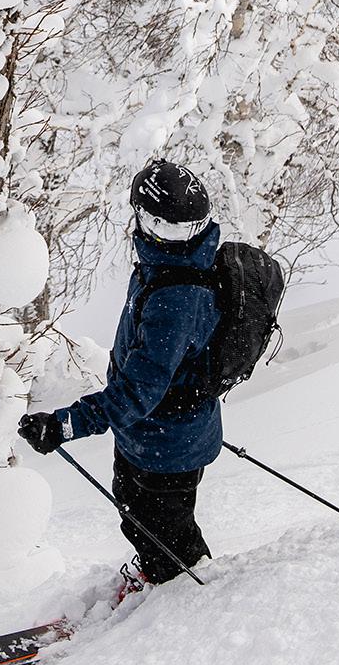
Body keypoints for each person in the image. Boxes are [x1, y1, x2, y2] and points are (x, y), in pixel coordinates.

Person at [18, 157, 221, 589]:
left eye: (187, 228)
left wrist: (64, 425)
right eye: (167, 227)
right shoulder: (166, 266)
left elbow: (137, 391)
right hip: (155, 433)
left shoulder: (176, 295)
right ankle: (161, 573)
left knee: (164, 534)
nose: (179, 239)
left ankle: (187, 596)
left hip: (166, 441)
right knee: (139, 515)